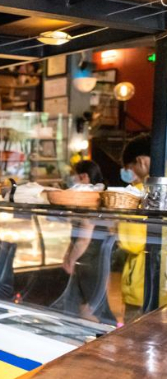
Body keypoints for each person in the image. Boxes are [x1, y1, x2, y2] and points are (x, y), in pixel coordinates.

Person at [61, 160, 115, 324]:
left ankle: (108, 338)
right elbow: (77, 237)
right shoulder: (94, 199)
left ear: (84, 177)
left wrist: (71, 259)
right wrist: (69, 254)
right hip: (88, 261)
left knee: (90, 310)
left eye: (74, 176)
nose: (72, 179)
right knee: (88, 307)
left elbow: (84, 239)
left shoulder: (91, 201)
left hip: (91, 263)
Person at [118, 134, 150, 323]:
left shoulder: (137, 192)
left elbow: (133, 243)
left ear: (140, 161)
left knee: (134, 336)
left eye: (129, 168)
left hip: (141, 284)